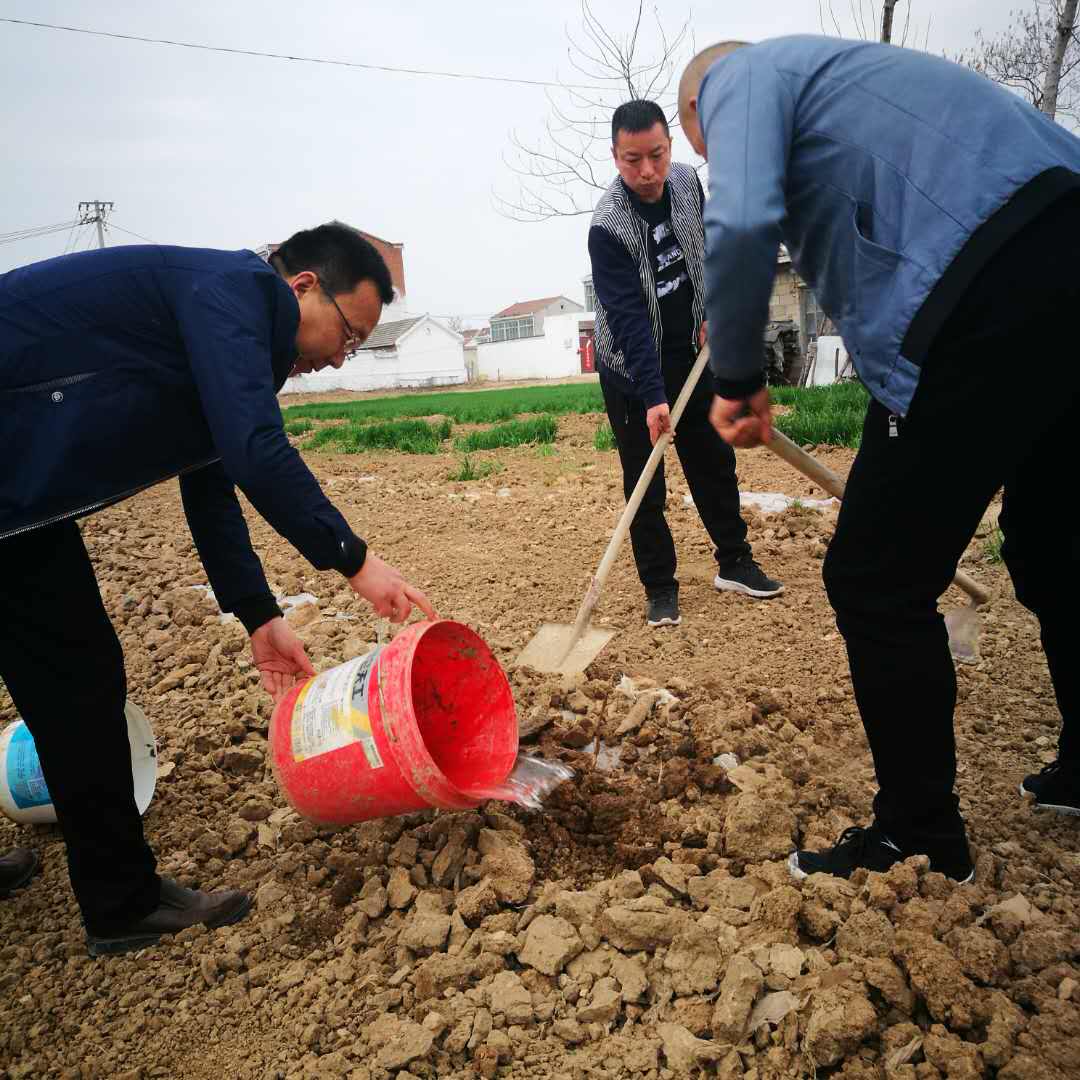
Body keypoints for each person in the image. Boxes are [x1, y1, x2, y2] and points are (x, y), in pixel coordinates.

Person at [679, 38, 1080, 882]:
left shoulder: (740, 76)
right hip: (1063, 245)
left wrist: (739, 376)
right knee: (1057, 543)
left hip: (986, 286)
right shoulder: (860, 86)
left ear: (695, 116)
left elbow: (741, 221)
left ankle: (921, 834)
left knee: (875, 578)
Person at [0, 222, 435, 954]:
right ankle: (123, 902)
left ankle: (119, 894)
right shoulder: (229, 293)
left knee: (71, 671)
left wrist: (259, 614)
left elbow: (212, 483)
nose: (340, 357)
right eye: (348, 334)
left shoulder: (229, 325)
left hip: (18, 500)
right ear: (303, 286)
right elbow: (255, 450)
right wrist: (356, 561)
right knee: (76, 675)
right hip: (13, 488)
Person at [588, 99, 782, 628]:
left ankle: (735, 561)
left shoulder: (687, 183)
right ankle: (660, 587)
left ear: (669, 146)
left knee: (713, 460)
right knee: (645, 480)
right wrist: (653, 397)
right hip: (632, 371)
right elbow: (627, 320)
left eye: (656, 155)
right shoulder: (607, 227)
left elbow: (709, 248)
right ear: (616, 157)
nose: (647, 171)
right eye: (633, 160)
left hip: (692, 355)